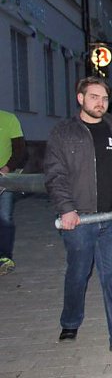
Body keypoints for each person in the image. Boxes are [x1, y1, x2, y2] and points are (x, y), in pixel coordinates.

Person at [43, 77, 112, 352]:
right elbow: (55, 175)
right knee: (78, 273)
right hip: (80, 220)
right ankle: (70, 321)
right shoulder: (64, 133)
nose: (100, 103)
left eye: (104, 99)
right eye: (94, 97)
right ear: (80, 98)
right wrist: (66, 209)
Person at [0, 109, 27, 275]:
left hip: (5, 177)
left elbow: (20, 151)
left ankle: (4, 257)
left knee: (4, 217)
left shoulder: (9, 119)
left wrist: (7, 168)